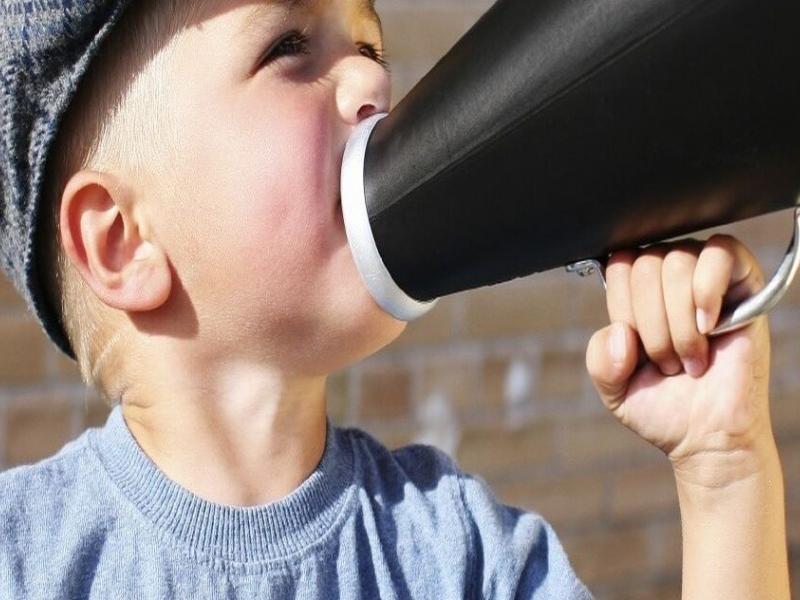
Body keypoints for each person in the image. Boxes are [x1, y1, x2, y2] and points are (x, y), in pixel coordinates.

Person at [0, 0, 790, 598]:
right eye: (289, 48)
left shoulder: (462, 549)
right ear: (120, 242)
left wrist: (724, 472)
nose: (374, 78)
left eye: (371, 45)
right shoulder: (25, 557)